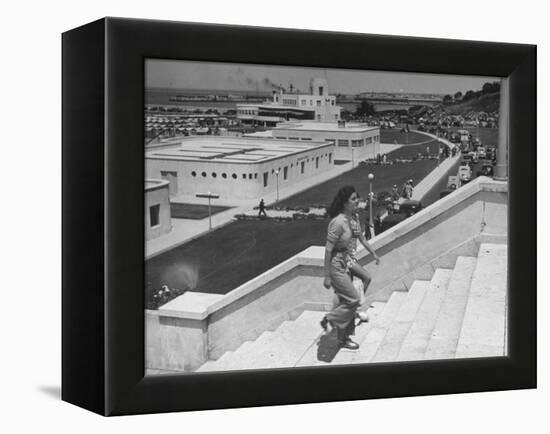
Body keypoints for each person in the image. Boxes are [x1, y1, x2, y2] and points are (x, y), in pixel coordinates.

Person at [321, 186, 377, 350]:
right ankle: (335, 326)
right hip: (338, 266)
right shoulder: (338, 222)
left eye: (357, 198)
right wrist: (327, 276)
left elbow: (356, 240)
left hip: (346, 263)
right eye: (353, 199)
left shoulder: (349, 220)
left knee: (349, 301)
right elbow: (328, 250)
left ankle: (344, 336)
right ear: (345, 203)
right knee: (350, 300)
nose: (357, 201)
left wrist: (372, 254)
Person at [348, 208, 380, 322]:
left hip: (351, 259)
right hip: (347, 260)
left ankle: (353, 309)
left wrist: (374, 254)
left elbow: (362, 239)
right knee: (366, 277)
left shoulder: (354, 221)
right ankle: (355, 307)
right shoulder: (347, 222)